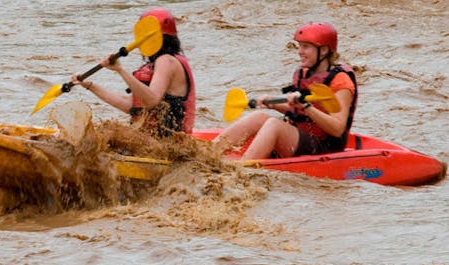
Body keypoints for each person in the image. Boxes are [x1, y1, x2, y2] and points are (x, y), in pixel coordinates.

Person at [214, 22, 358, 160]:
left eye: (306, 47)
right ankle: (209, 153)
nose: (299, 52)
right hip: (302, 138)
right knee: (258, 117)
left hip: (325, 147)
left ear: (324, 50)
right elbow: (298, 115)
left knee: (274, 125)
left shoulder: (341, 81)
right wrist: (273, 103)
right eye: (300, 46)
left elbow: (337, 128)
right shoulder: (303, 74)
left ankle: (239, 170)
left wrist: (307, 107)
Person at [70, 8, 196, 137]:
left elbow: (151, 101)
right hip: (154, 143)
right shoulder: (161, 62)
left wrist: (120, 70)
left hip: (170, 146)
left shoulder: (167, 61)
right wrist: (90, 86)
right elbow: (130, 106)